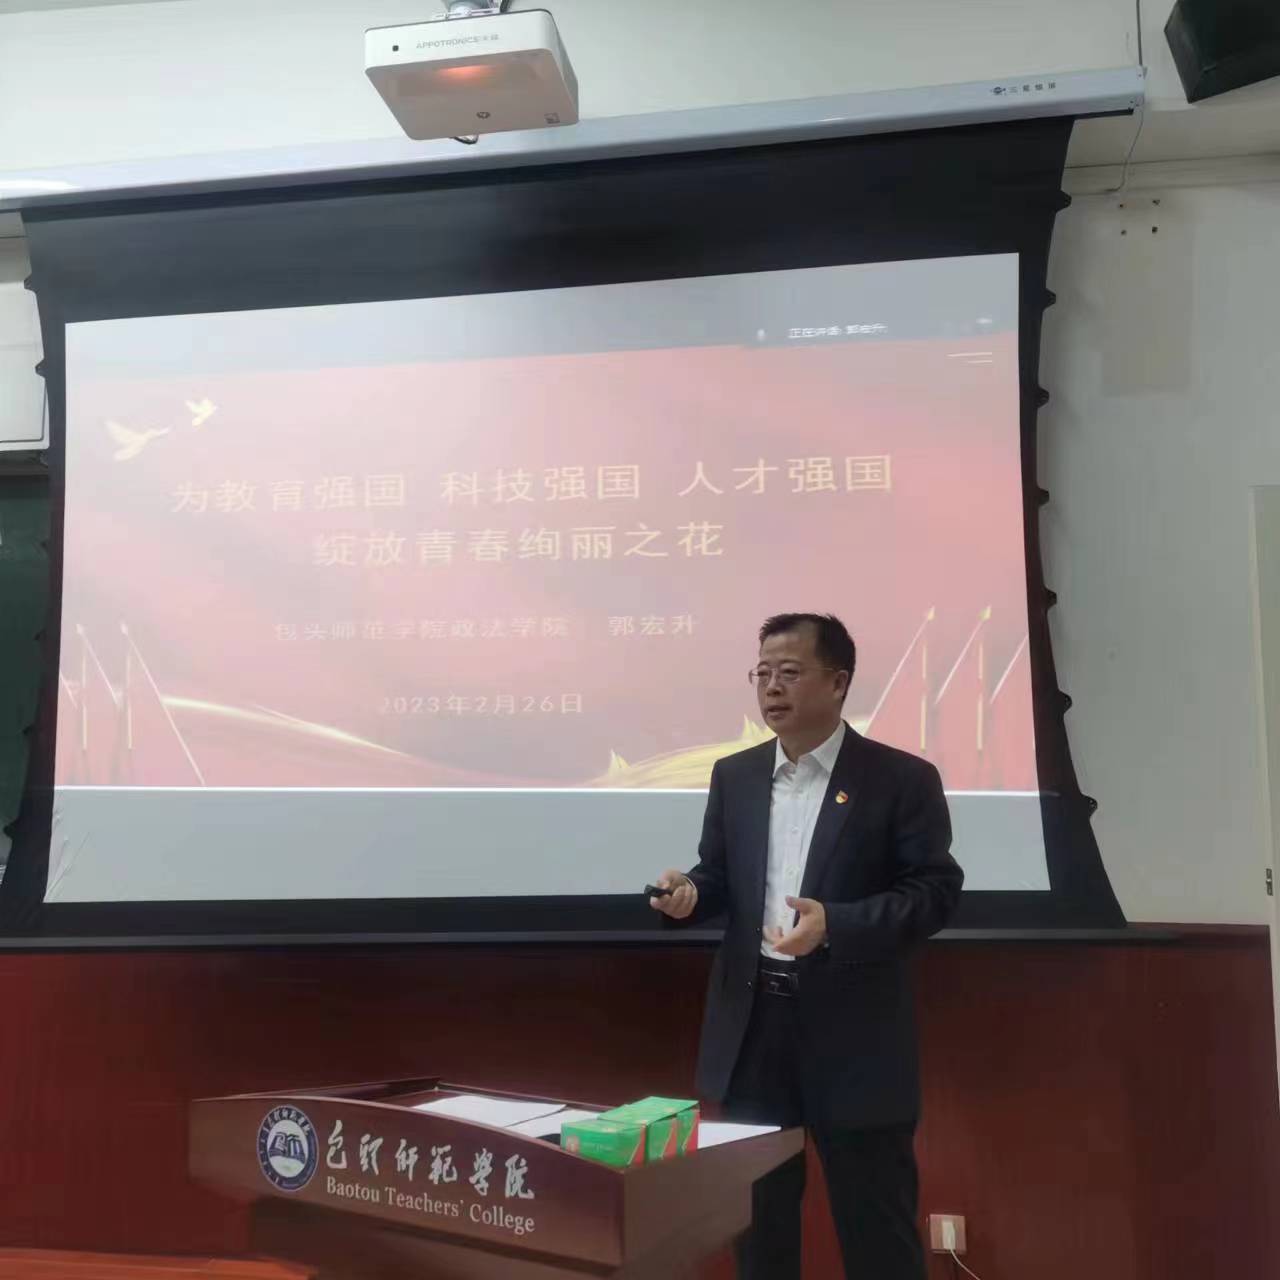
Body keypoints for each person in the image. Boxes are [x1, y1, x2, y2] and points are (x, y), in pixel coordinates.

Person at [651, 612, 963, 1280]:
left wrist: (836, 925)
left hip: (854, 1035)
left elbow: (934, 892)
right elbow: (719, 877)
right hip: (754, 1030)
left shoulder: (899, 779)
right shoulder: (735, 776)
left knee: (876, 1227)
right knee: (759, 1227)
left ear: (838, 682)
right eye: (761, 673)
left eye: (789, 672)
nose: (771, 687)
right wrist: (689, 894)